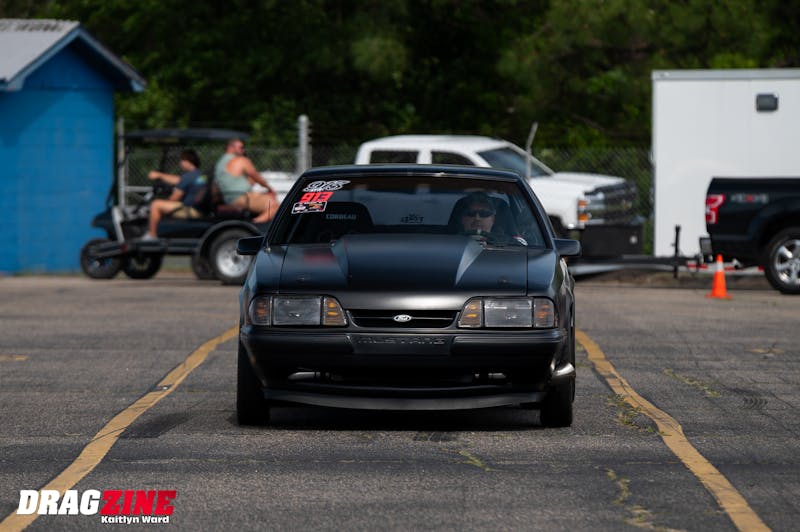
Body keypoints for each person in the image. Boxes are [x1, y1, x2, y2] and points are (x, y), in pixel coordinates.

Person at [141, 149, 206, 241]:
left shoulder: (188, 177)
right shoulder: (201, 175)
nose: (180, 163)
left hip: (190, 210)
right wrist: (160, 175)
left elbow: (175, 198)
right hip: (201, 209)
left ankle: (152, 235)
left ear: (187, 162)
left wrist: (165, 201)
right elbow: (179, 180)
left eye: (182, 161)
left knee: (156, 204)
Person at [214, 138, 279, 223]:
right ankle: (254, 225)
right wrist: (270, 189)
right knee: (274, 205)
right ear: (230, 147)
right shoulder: (241, 160)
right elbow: (257, 177)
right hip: (241, 197)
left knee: (264, 199)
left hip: (229, 197)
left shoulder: (220, 162)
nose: (243, 150)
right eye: (241, 147)